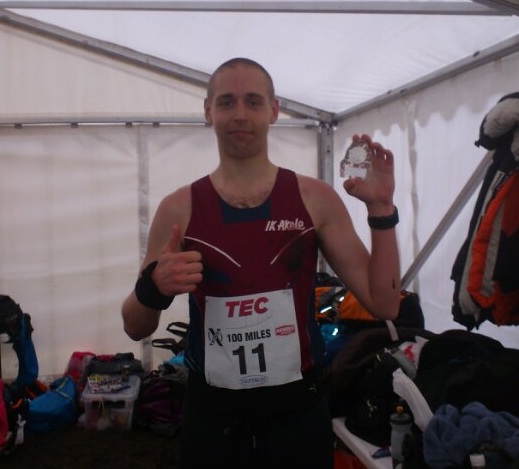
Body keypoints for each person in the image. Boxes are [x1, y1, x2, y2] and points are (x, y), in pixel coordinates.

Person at [121, 57, 401, 468]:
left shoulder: (314, 199)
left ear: (274, 110)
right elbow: (134, 326)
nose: (240, 114)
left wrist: (381, 210)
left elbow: (385, 303)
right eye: (227, 102)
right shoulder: (179, 209)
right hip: (212, 418)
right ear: (208, 111)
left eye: (253, 102)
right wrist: (153, 287)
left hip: (297, 415)